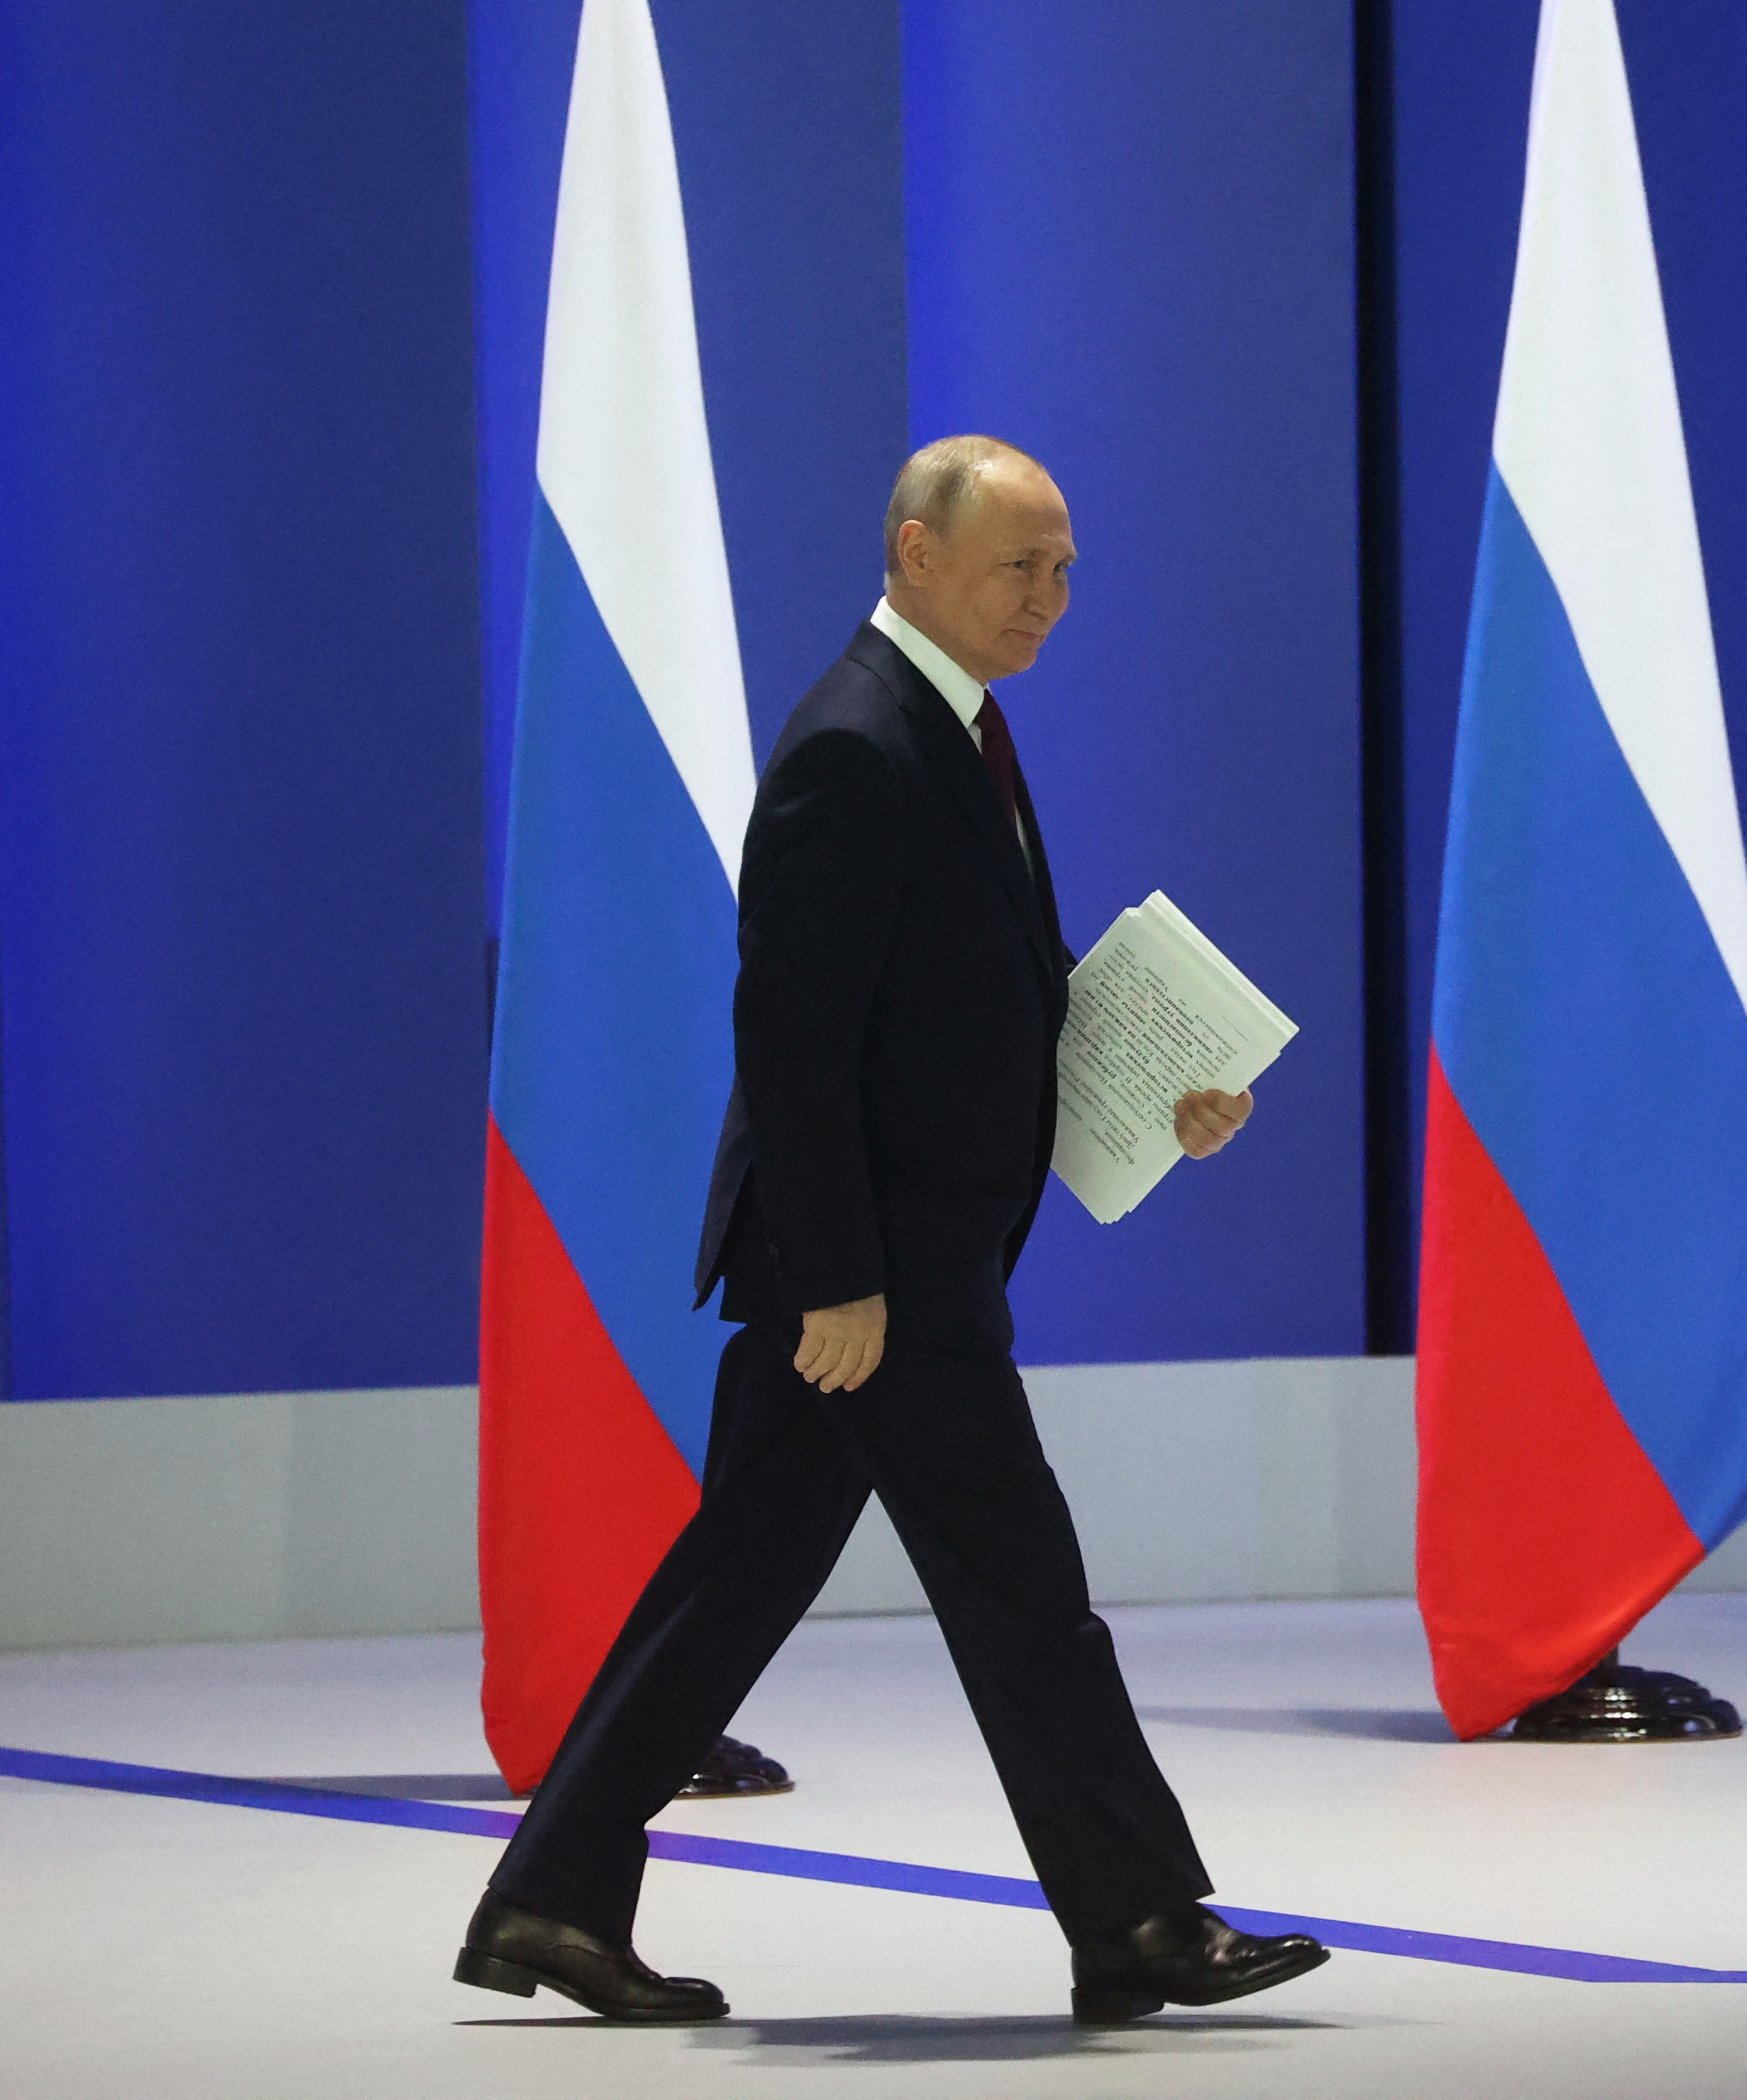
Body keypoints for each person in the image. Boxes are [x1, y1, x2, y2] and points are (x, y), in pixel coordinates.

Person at [450, 435, 1325, 2026]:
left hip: (900, 1259)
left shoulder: (955, 725)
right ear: (914, 552)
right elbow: (792, 1036)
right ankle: (1134, 1917)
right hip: (879, 1277)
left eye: (1066, 569)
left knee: (737, 1582)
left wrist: (1157, 1096)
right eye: (1020, 564)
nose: (1051, 597)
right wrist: (839, 1276)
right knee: (1021, 1581)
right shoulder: (858, 743)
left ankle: (551, 1895)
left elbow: (970, 1010)